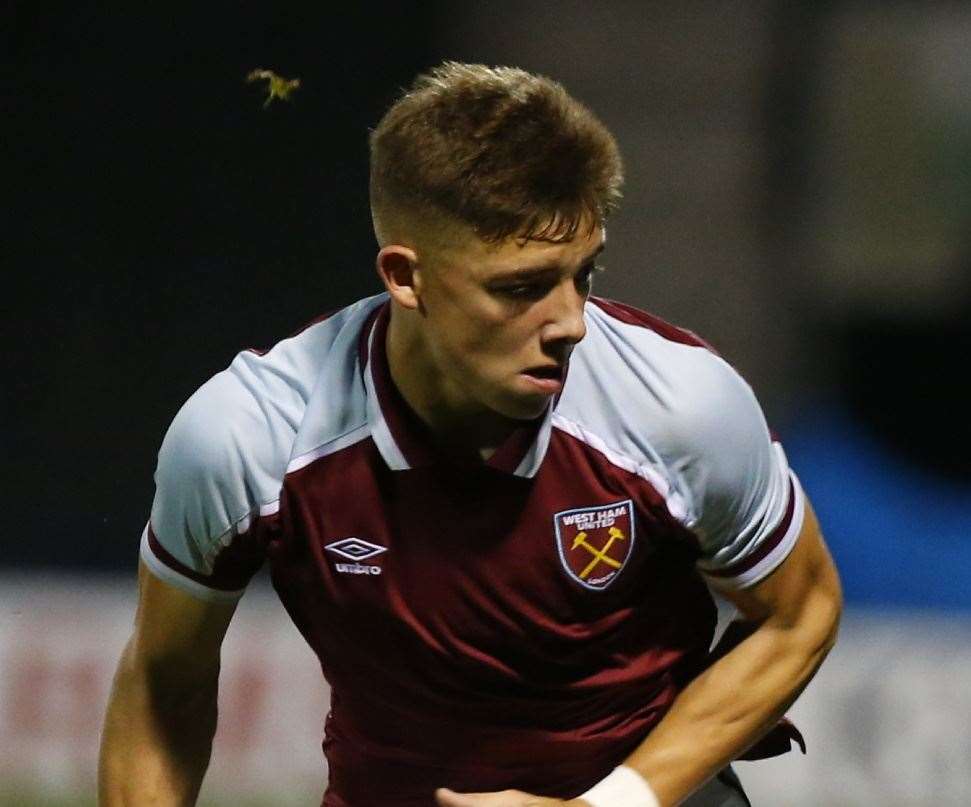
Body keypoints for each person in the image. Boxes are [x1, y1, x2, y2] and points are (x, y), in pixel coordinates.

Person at [98, 61, 842, 807]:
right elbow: (166, 682)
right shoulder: (247, 439)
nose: (571, 323)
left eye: (583, 273)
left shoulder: (679, 405)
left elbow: (799, 611)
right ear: (405, 276)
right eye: (520, 287)